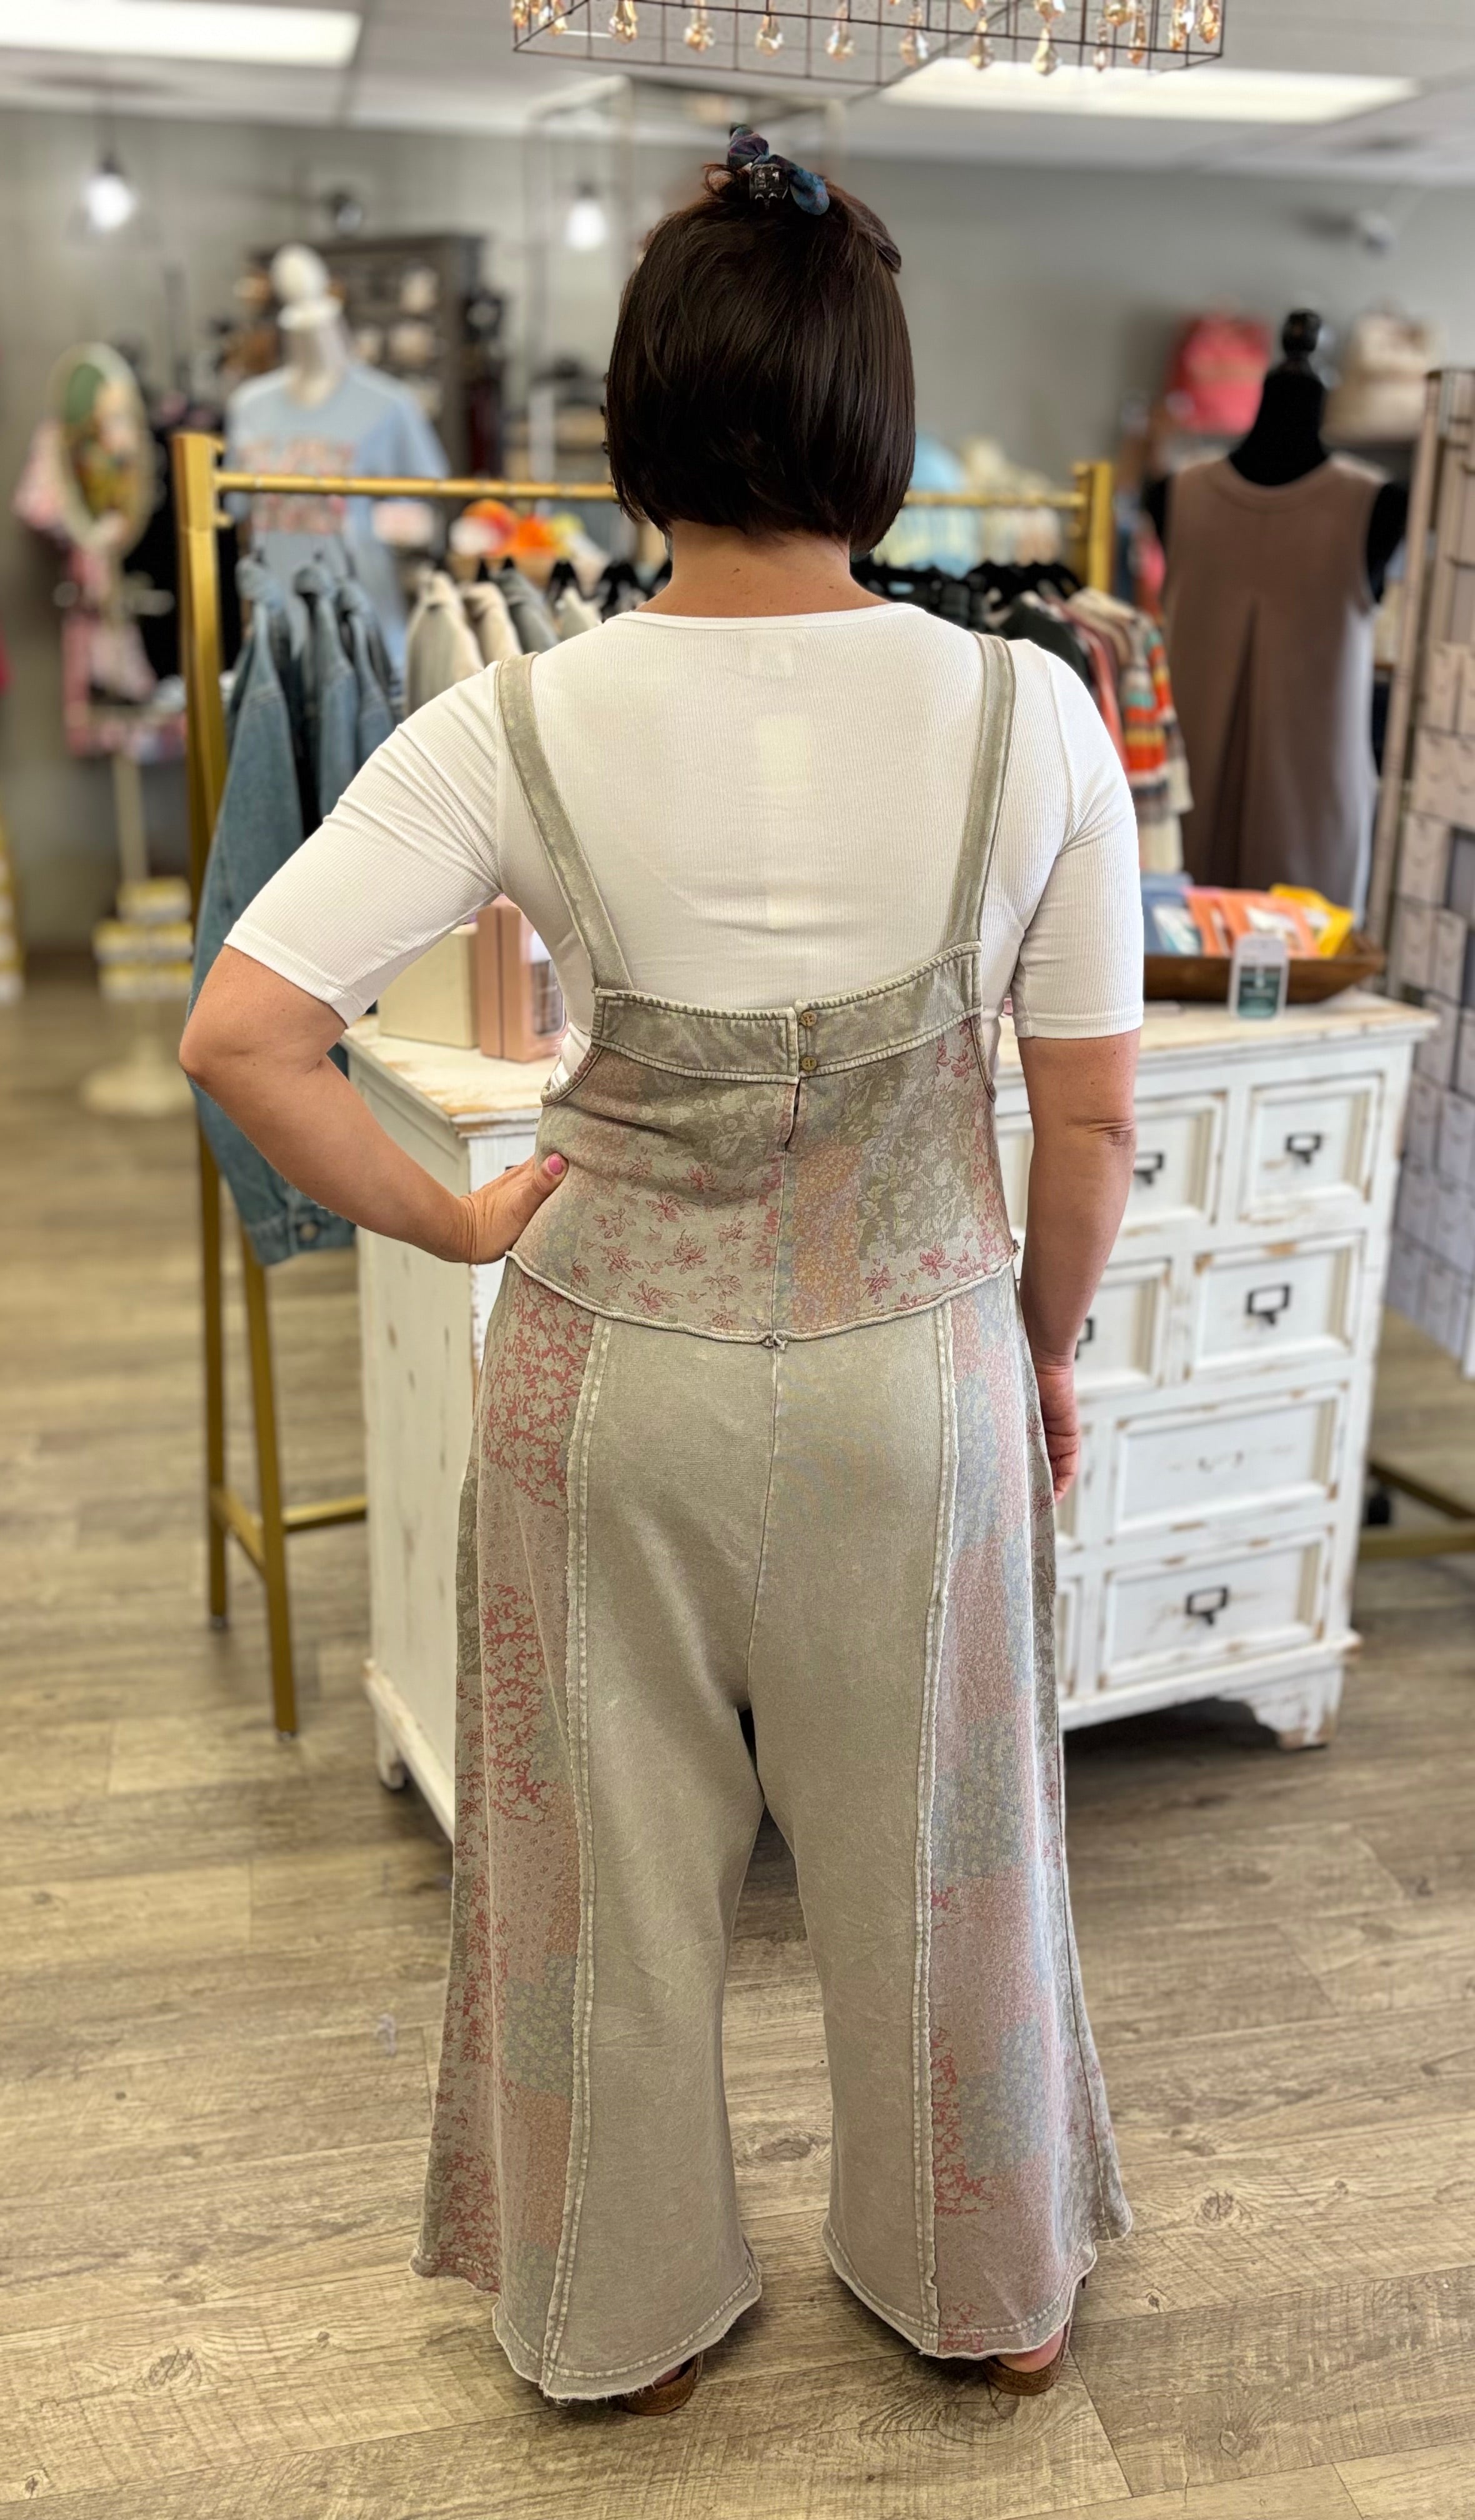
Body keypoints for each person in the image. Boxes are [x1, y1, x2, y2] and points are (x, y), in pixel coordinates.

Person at [181, 132, 1139, 2416]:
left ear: (637, 425)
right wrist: (1032, 1354)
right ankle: (989, 2293)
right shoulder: (1035, 717)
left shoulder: (514, 716)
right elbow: (1092, 1122)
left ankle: (611, 2323)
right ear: (879, 429)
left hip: (608, 1376)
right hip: (916, 1376)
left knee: (593, 1882)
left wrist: (454, 1217)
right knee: (950, 1868)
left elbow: (243, 1033)